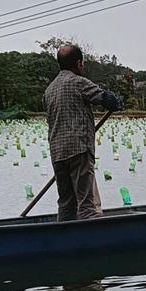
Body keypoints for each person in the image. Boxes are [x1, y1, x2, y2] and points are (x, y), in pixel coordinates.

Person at [43, 44, 123, 221]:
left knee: (66, 204)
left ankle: (64, 240)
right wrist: (116, 102)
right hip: (79, 150)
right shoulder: (78, 82)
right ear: (78, 63)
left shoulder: (49, 91)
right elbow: (105, 99)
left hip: (57, 153)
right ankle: (90, 241)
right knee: (86, 204)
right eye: (83, 63)